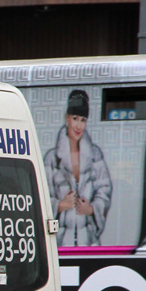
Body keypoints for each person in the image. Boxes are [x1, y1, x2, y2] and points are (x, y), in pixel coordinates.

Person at [43, 89, 112, 246]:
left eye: (83, 120)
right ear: (67, 118)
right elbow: (40, 196)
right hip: (59, 245)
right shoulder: (52, 158)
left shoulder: (95, 155)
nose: (79, 125)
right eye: (75, 118)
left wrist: (92, 209)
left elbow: (104, 191)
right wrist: (60, 206)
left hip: (89, 243)